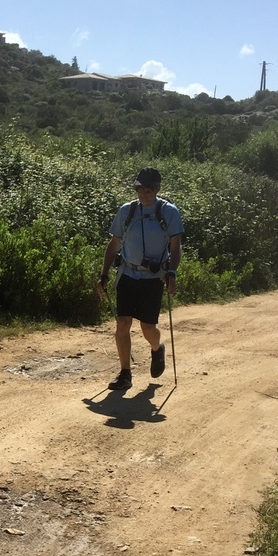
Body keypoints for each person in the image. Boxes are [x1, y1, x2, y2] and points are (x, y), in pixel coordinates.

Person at [97, 167, 183, 391]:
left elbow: (175, 247)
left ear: (157, 189)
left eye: (149, 190)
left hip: (153, 277)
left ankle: (157, 348)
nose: (144, 194)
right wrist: (104, 274)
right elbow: (114, 244)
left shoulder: (169, 212)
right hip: (127, 273)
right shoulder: (127, 211)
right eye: (140, 189)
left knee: (148, 327)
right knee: (122, 322)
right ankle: (125, 374)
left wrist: (171, 273)